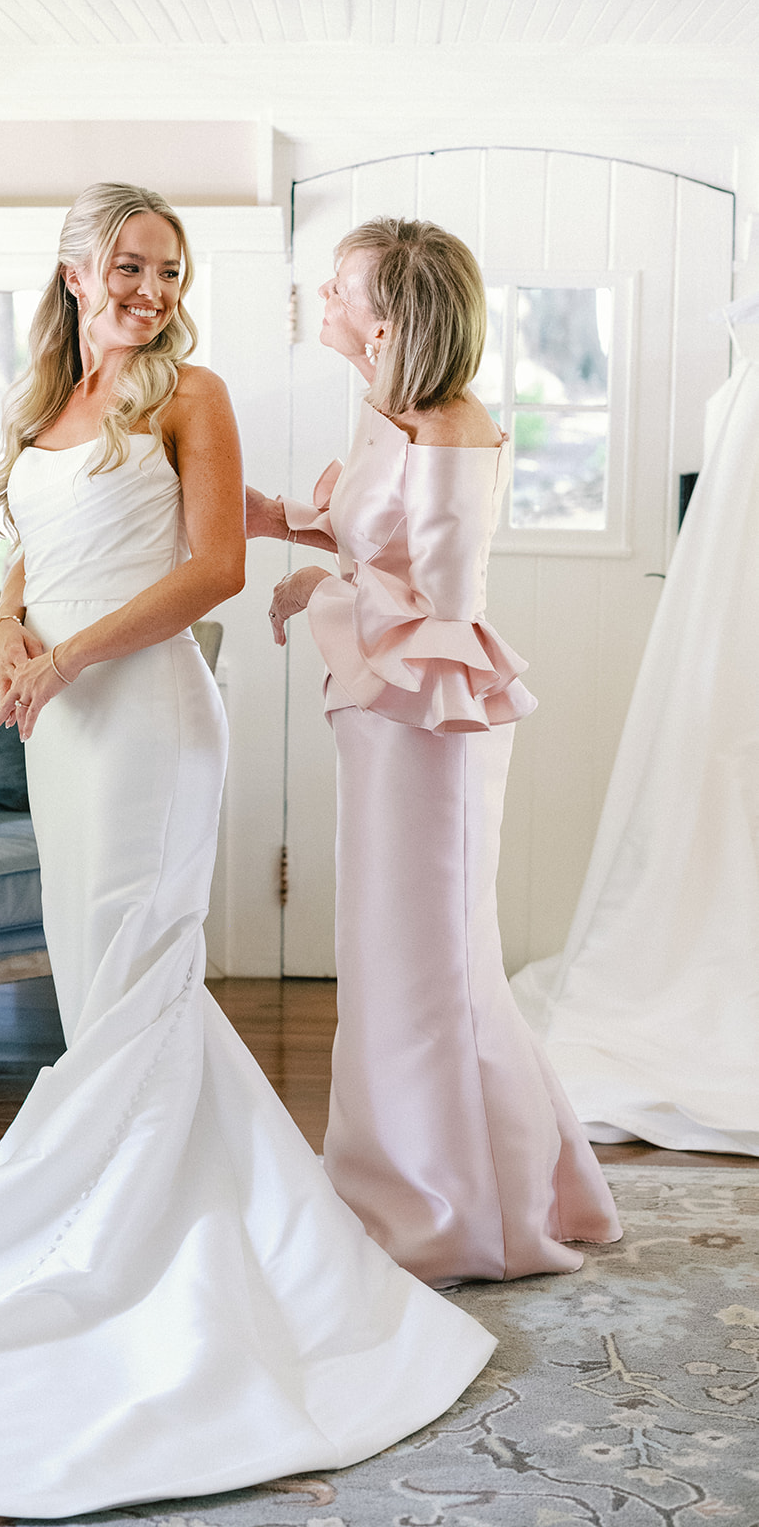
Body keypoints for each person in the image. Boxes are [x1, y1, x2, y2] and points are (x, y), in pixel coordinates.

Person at [0, 187, 496, 1521]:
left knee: (140, 982)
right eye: (128, 265)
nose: (150, 290)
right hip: (57, 728)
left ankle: (145, 1241)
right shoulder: (45, 406)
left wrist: (65, 655)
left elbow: (214, 568)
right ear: (74, 272)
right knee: (101, 988)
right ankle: (127, 1203)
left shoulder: (192, 395)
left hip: (146, 725)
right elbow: (31, 546)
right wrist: (6, 630)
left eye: (168, 271)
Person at [246, 217, 623, 1289]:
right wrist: (279, 522)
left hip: (432, 723)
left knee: (432, 967)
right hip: (383, 714)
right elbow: (383, 540)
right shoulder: (387, 413)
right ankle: (407, 1188)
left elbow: (441, 607)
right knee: (386, 959)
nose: (322, 299)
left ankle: (470, 1217)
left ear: (385, 322)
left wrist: (315, 587)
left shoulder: (451, 428)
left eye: (338, 286)